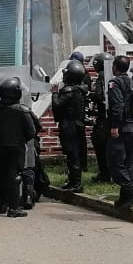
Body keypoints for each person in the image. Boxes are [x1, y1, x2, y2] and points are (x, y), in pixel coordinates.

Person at [0, 77, 40, 218]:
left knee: (5, 174)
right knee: (15, 176)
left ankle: (3, 205)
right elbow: (31, 131)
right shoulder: (22, 110)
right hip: (16, 147)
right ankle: (14, 208)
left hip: (0, 145)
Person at [106, 56, 133, 211]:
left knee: (115, 162)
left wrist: (114, 126)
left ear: (115, 67)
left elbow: (117, 105)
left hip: (121, 127)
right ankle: (124, 199)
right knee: (128, 162)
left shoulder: (115, 82)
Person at [52, 60, 90, 190]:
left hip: (69, 125)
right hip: (77, 124)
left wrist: (55, 93)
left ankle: (76, 183)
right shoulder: (81, 90)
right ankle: (73, 181)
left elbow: (57, 106)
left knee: (72, 153)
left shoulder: (68, 91)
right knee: (74, 153)